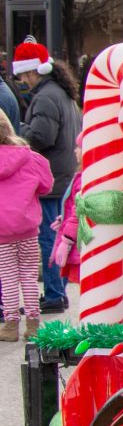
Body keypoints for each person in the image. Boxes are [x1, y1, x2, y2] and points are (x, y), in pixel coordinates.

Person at [11, 39, 82, 314]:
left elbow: (40, 136)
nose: (22, 81)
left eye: (23, 75)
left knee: (48, 239)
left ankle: (53, 293)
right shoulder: (60, 93)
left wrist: (20, 129)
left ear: (32, 71)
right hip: (62, 174)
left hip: (50, 177)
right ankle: (57, 292)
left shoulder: (45, 97)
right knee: (57, 236)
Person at [0, 111, 53, 341]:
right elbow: (46, 186)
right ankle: (33, 324)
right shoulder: (30, 157)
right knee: (29, 276)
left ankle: (11, 325)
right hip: (28, 228)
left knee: (8, 276)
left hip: (2, 231)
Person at [49, 132, 83, 285]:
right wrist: (64, 217)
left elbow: (78, 212)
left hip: (78, 241)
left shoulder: (84, 180)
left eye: (79, 147)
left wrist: (67, 240)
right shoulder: (80, 176)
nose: (75, 150)